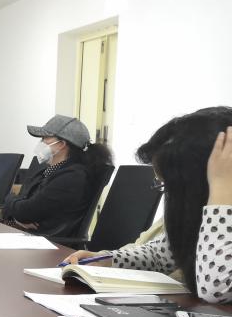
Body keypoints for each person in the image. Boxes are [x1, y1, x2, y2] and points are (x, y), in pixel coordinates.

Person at [64, 107, 232, 304]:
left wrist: (221, 191)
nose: (170, 195)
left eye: (171, 185)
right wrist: (107, 260)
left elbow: (217, 289)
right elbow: (161, 256)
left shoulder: (219, 204)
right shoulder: (197, 209)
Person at [2, 114, 113, 239]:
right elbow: (24, 205)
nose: (41, 142)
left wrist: (9, 199)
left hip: (49, 243)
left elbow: (25, 212)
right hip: (35, 238)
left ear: (61, 144)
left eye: (45, 138)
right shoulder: (53, 171)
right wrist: (17, 214)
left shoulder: (71, 178)